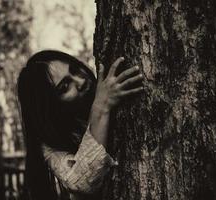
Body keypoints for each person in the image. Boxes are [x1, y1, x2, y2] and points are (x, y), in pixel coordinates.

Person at [17, 50, 144, 200]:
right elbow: (82, 182)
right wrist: (101, 107)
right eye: (65, 87)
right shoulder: (49, 145)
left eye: (75, 70)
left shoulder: (104, 89)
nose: (80, 81)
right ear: (50, 107)